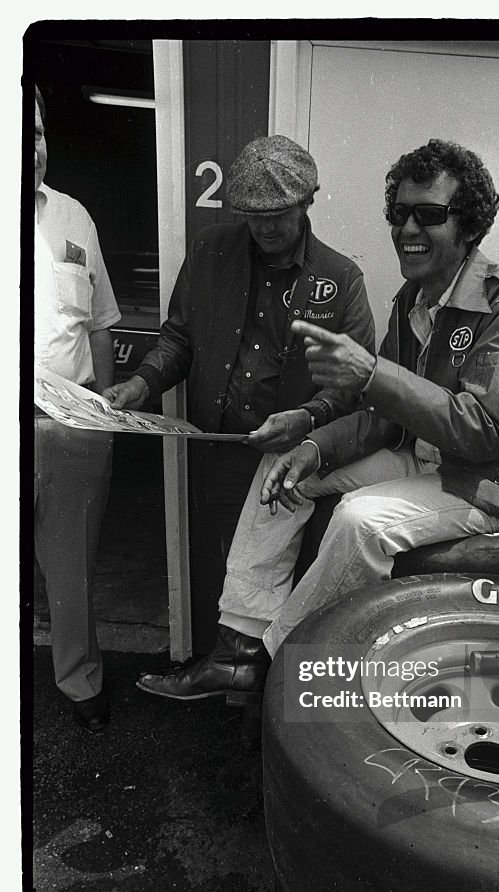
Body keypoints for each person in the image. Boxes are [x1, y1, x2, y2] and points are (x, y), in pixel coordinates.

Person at [137, 138, 499, 705]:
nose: (408, 229)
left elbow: (485, 430)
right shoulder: (414, 297)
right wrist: (312, 449)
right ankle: (236, 648)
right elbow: (384, 415)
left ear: (471, 225)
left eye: (429, 215)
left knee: (361, 519)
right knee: (281, 469)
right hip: (428, 460)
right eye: (399, 213)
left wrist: (374, 374)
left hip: (490, 482)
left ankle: (278, 659)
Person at [103, 135, 375, 624]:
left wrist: (308, 417)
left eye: (279, 212)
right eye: (253, 213)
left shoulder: (342, 278)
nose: (266, 226)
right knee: (233, 573)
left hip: (295, 459)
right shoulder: (210, 250)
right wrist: (142, 384)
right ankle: (234, 683)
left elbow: (354, 385)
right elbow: (178, 339)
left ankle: (265, 692)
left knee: (289, 578)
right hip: (225, 447)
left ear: (307, 201)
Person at [34, 85, 121, 733]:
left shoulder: (72, 217)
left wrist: (104, 417)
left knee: (70, 567)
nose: (30, 148)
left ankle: (79, 681)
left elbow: (99, 326)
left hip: (72, 430)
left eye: (36, 132)